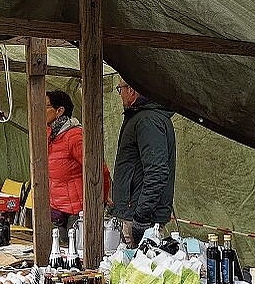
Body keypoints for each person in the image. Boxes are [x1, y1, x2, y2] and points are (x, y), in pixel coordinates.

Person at [110, 79, 176, 248]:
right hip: (137, 211)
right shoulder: (142, 117)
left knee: (138, 267)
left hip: (141, 215)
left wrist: (141, 216)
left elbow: (157, 171)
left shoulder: (147, 120)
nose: (120, 95)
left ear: (131, 90)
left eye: (120, 89)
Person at [45, 90, 111, 243]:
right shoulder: (49, 134)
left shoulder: (74, 136)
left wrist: (103, 197)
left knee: (76, 254)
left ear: (59, 111)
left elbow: (99, 169)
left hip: (76, 210)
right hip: (56, 207)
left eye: (45, 106)